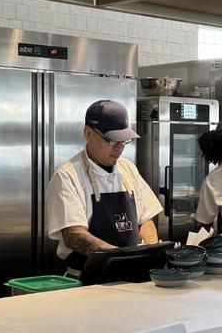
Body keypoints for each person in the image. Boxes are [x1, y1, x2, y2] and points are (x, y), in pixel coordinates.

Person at [45, 99, 162, 275]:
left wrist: (151, 251)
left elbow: (145, 219)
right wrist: (123, 259)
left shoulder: (128, 169)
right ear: (88, 133)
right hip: (88, 281)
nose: (119, 148)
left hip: (132, 275)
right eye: (112, 140)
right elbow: (73, 235)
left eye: (124, 141)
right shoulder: (67, 176)